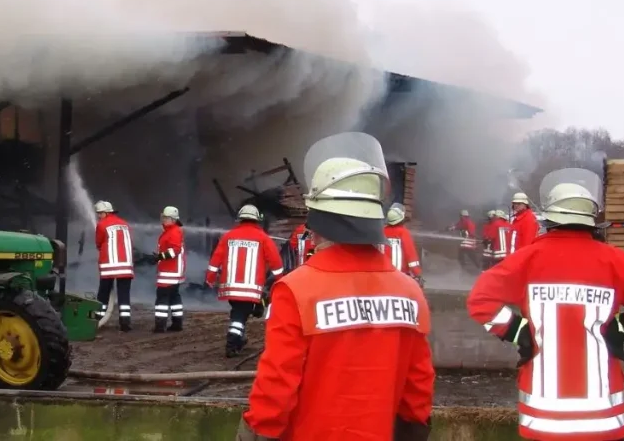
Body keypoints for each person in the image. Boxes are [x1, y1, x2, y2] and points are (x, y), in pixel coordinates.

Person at [238, 132, 434, 441]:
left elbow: (275, 389)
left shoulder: (296, 291)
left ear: (318, 218)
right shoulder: (411, 294)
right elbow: (417, 392)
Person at [467, 168, 624, 440]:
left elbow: (480, 301)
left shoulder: (527, 259)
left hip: (543, 416)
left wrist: (519, 331)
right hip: (603, 416)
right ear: (591, 220)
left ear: (551, 219)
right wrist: (622, 327)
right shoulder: (617, 262)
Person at [205, 204, 285, 357]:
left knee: (239, 312)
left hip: (230, 288)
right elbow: (276, 262)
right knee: (240, 316)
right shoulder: (263, 238)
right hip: (251, 289)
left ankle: (239, 337)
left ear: (240, 219)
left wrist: (210, 278)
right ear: (257, 220)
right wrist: (279, 279)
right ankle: (232, 343)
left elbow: (215, 259)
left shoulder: (228, 236)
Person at [93, 200, 135, 332]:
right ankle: (125, 322)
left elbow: (99, 244)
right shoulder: (125, 224)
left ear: (106, 213)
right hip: (126, 266)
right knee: (124, 294)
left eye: (100, 213)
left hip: (109, 267)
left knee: (103, 294)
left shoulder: (101, 225)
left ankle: (97, 320)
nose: (99, 216)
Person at [153, 205, 186, 333]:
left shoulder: (174, 231)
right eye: (163, 217)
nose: (163, 220)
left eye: (166, 218)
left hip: (170, 272)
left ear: (173, 219)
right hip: (173, 272)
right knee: (174, 297)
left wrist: (160, 256)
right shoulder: (172, 230)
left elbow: (175, 250)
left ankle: (160, 326)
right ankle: (177, 324)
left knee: (162, 297)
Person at [382, 203, 424, 285]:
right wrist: (417, 274)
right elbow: (411, 256)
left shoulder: (382, 232)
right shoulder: (403, 233)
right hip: (400, 276)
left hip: (383, 274)